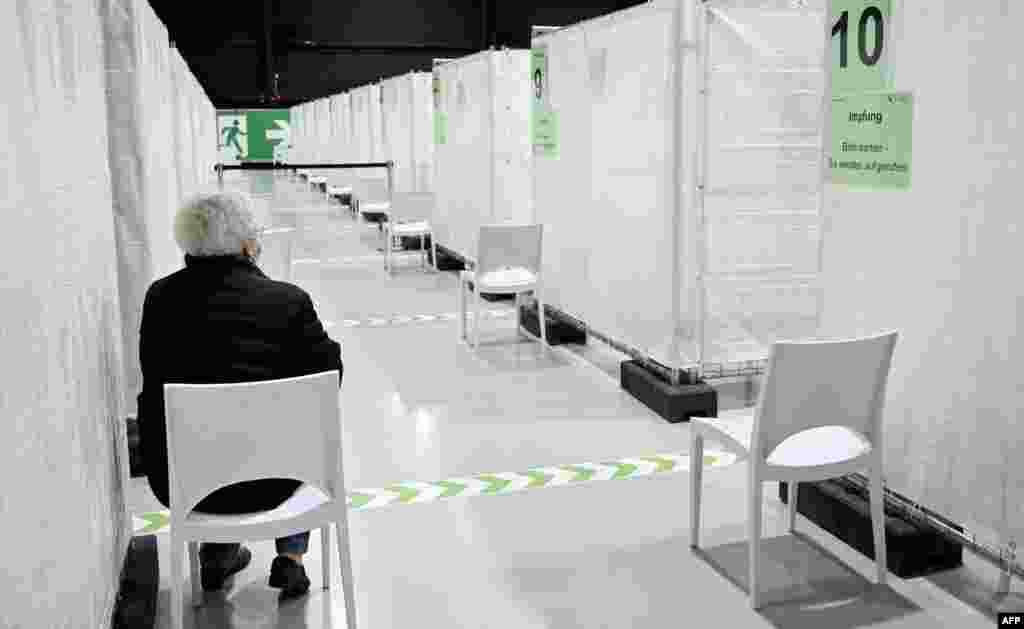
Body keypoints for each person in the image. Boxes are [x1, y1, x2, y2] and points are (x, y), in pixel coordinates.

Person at [137, 190, 342, 600]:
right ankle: (292, 557)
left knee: (216, 434)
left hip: (185, 484)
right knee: (295, 422)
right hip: (276, 482)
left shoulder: (160, 299)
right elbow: (330, 376)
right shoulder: (288, 301)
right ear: (248, 245)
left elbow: (152, 383)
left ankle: (218, 552)